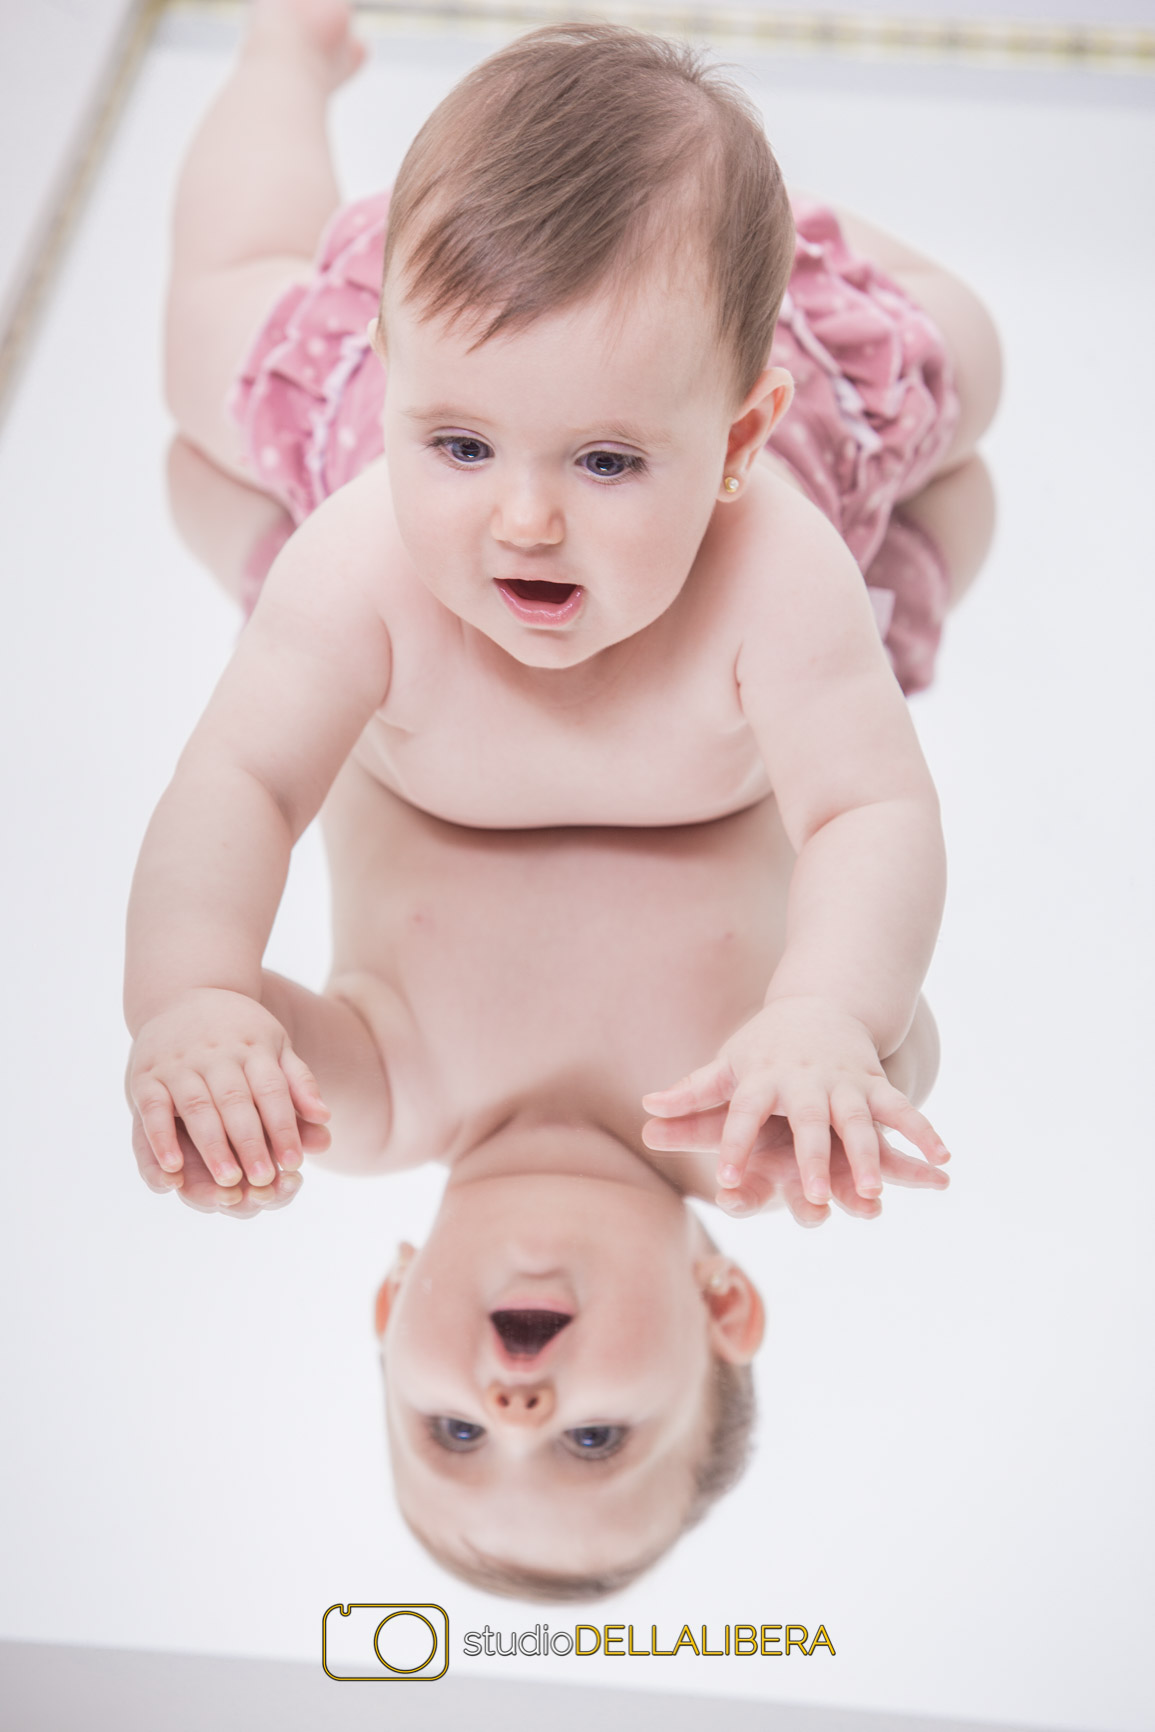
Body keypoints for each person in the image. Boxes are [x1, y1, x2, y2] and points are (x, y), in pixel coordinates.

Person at [127, 0, 1001, 1213]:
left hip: (729, 373)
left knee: (968, 360)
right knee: (206, 335)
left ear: (741, 436)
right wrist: (196, 992)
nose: (523, 521)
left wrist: (829, 1015)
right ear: (398, 381)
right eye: (461, 447)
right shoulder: (364, 554)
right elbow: (241, 780)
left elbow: (870, 806)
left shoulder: (772, 571)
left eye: (605, 465)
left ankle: (808, 258)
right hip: (496, 370)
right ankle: (285, 54)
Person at [132, 654, 946, 1593]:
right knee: (923, 551)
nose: (517, 1411)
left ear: (392, 1314)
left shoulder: (375, 1108)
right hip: (727, 627)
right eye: (593, 1440)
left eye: (454, 1433)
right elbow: (892, 1010)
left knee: (219, 503)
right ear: (721, 1307)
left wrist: (206, 1063)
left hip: (413, 614)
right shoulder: (742, 1127)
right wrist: (845, 1052)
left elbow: (230, 1011)